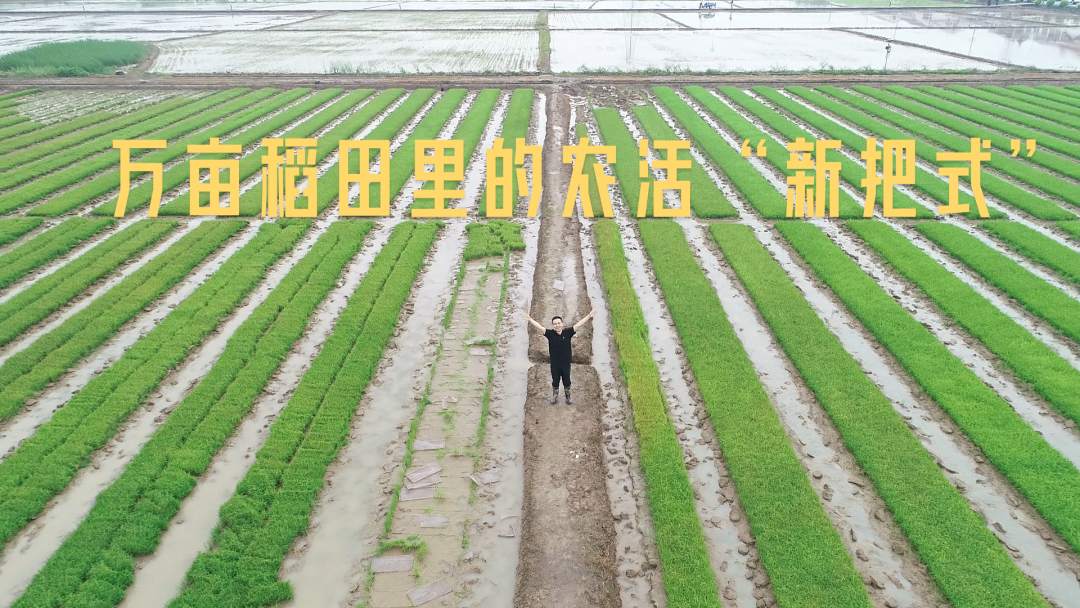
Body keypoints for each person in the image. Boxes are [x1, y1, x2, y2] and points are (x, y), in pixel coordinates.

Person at [526, 310, 595, 405]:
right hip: (555, 364)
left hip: (566, 364)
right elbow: (540, 327)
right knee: (555, 380)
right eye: (555, 324)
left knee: (567, 380)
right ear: (553, 325)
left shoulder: (568, 332)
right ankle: (555, 396)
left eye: (559, 323)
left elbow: (578, 324)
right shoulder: (550, 334)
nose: (557, 325)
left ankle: (568, 396)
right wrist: (530, 319)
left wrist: (589, 316)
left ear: (562, 324)